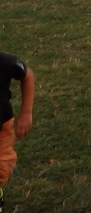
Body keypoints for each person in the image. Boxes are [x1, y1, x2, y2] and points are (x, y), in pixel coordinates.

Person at [0, 53, 34, 208]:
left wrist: (26, 114)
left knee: (2, 166)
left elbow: (28, 76)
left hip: (2, 128)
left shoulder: (4, 62)